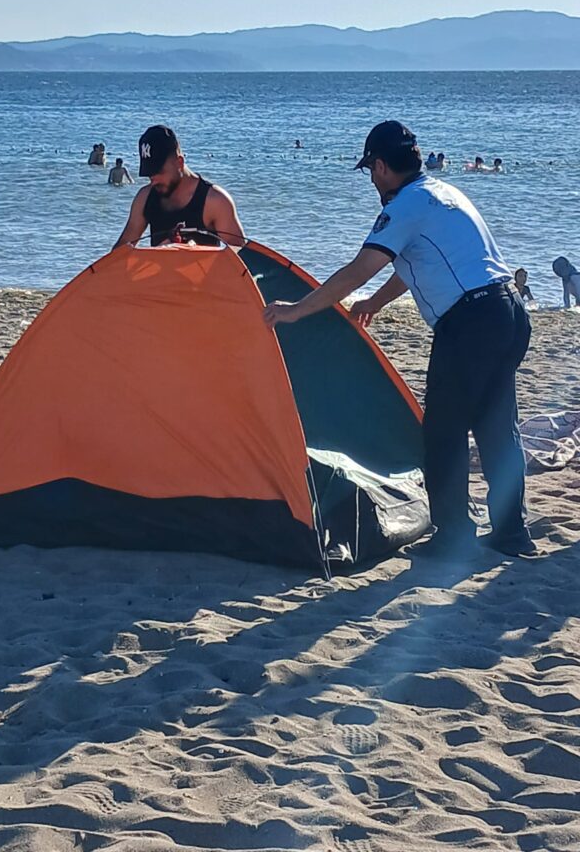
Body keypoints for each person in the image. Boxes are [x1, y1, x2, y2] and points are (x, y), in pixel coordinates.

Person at [264, 120, 535, 559]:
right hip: (508, 313)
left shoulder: (405, 205)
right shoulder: (443, 193)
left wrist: (296, 310)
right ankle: (511, 532)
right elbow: (419, 262)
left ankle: (453, 536)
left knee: (444, 430)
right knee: (495, 425)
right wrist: (378, 301)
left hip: (471, 324)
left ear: (384, 166)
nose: (371, 177)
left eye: (371, 168)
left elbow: (359, 266)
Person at [113, 125, 244, 248]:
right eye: (149, 174)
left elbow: (241, 260)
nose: (154, 181)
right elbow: (119, 255)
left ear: (179, 163)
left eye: (159, 172)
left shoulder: (215, 201)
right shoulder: (145, 198)